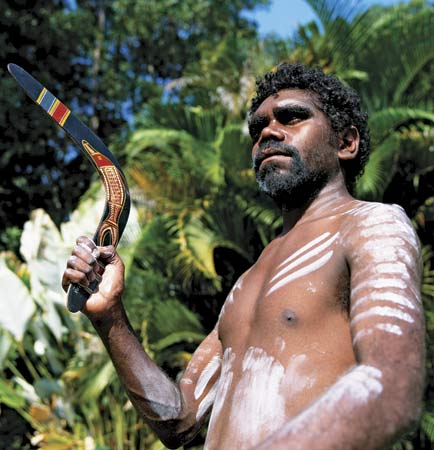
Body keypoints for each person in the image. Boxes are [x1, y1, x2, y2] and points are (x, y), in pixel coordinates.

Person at [62, 63, 425, 450]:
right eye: (258, 127)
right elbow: (179, 419)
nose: (268, 131)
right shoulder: (249, 280)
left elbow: (391, 385)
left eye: (292, 117)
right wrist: (110, 317)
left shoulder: (372, 225)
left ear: (346, 143)